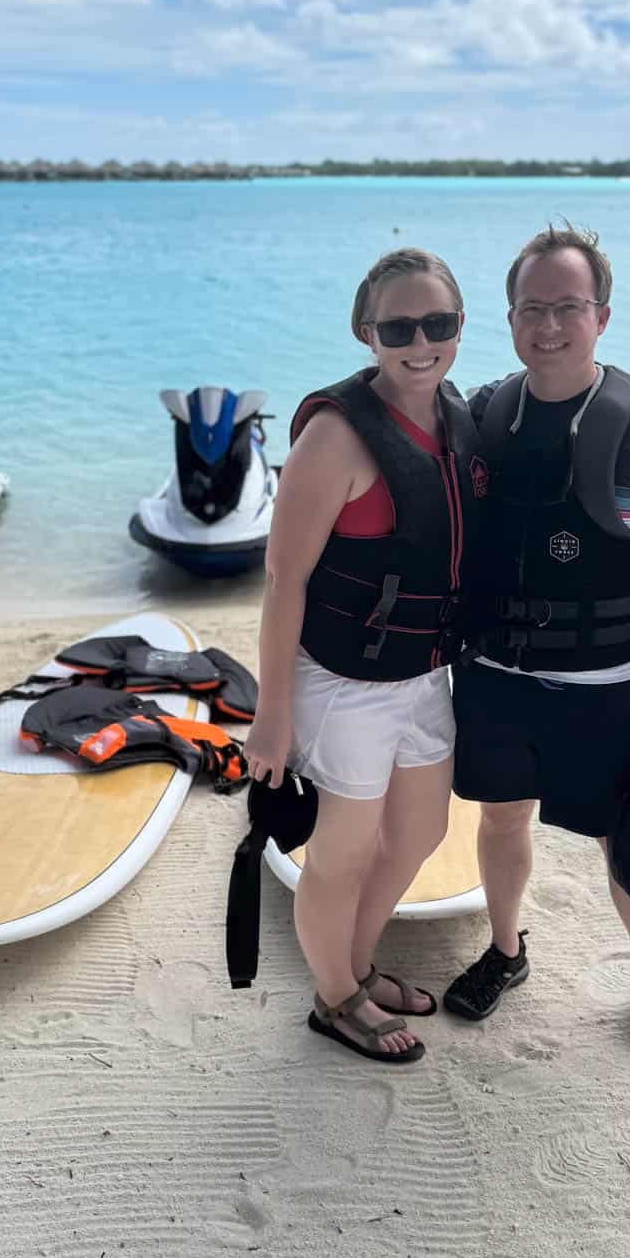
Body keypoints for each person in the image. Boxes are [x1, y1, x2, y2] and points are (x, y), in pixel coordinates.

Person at [446, 222, 630, 1070]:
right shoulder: (488, 413)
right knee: (500, 818)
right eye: (532, 307)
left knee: (629, 838)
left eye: (568, 307)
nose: (548, 325)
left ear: (601, 315)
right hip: (494, 675)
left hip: (607, 686)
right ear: (510, 315)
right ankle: (505, 949)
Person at [244, 248, 482, 1065]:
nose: (421, 343)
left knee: (419, 831)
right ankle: (336, 998)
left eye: (439, 324)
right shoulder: (335, 437)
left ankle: (356, 963)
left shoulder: (456, 414)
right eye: (399, 327)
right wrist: (271, 718)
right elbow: (283, 583)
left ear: (460, 326)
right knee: (340, 854)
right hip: (340, 682)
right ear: (365, 331)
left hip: (424, 673)